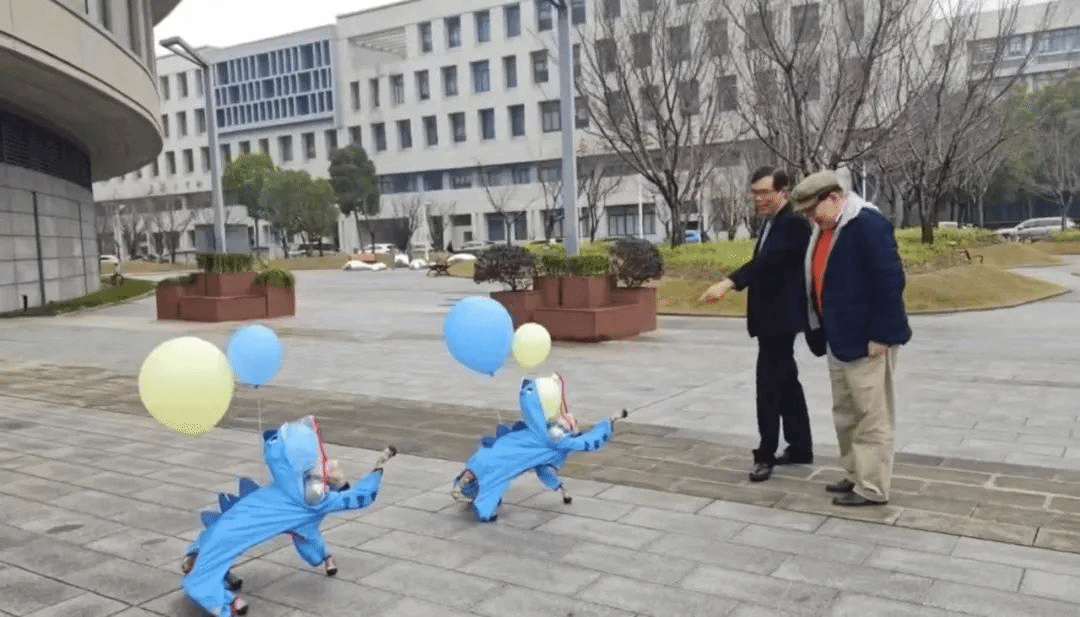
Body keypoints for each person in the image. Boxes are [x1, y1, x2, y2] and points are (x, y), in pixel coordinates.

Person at [789, 169, 912, 507]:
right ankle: (856, 472)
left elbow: (890, 281)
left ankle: (872, 486)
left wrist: (881, 335)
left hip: (867, 340)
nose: (811, 217)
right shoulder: (826, 229)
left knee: (871, 416)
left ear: (834, 197)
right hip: (837, 337)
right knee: (845, 413)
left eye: (813, 209)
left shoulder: (868, 225)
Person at [699, 167, 814, 482]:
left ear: (783, 191)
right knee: (787, 382)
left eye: (765, 193)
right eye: (755, 193)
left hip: (781, 321)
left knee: (768, 387)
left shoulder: (794, 223)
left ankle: (766, 454)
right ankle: (800, 446)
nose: (758, 199)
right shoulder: (771, 222)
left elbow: (767, 263)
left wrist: (729, 282)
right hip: (770, 320)